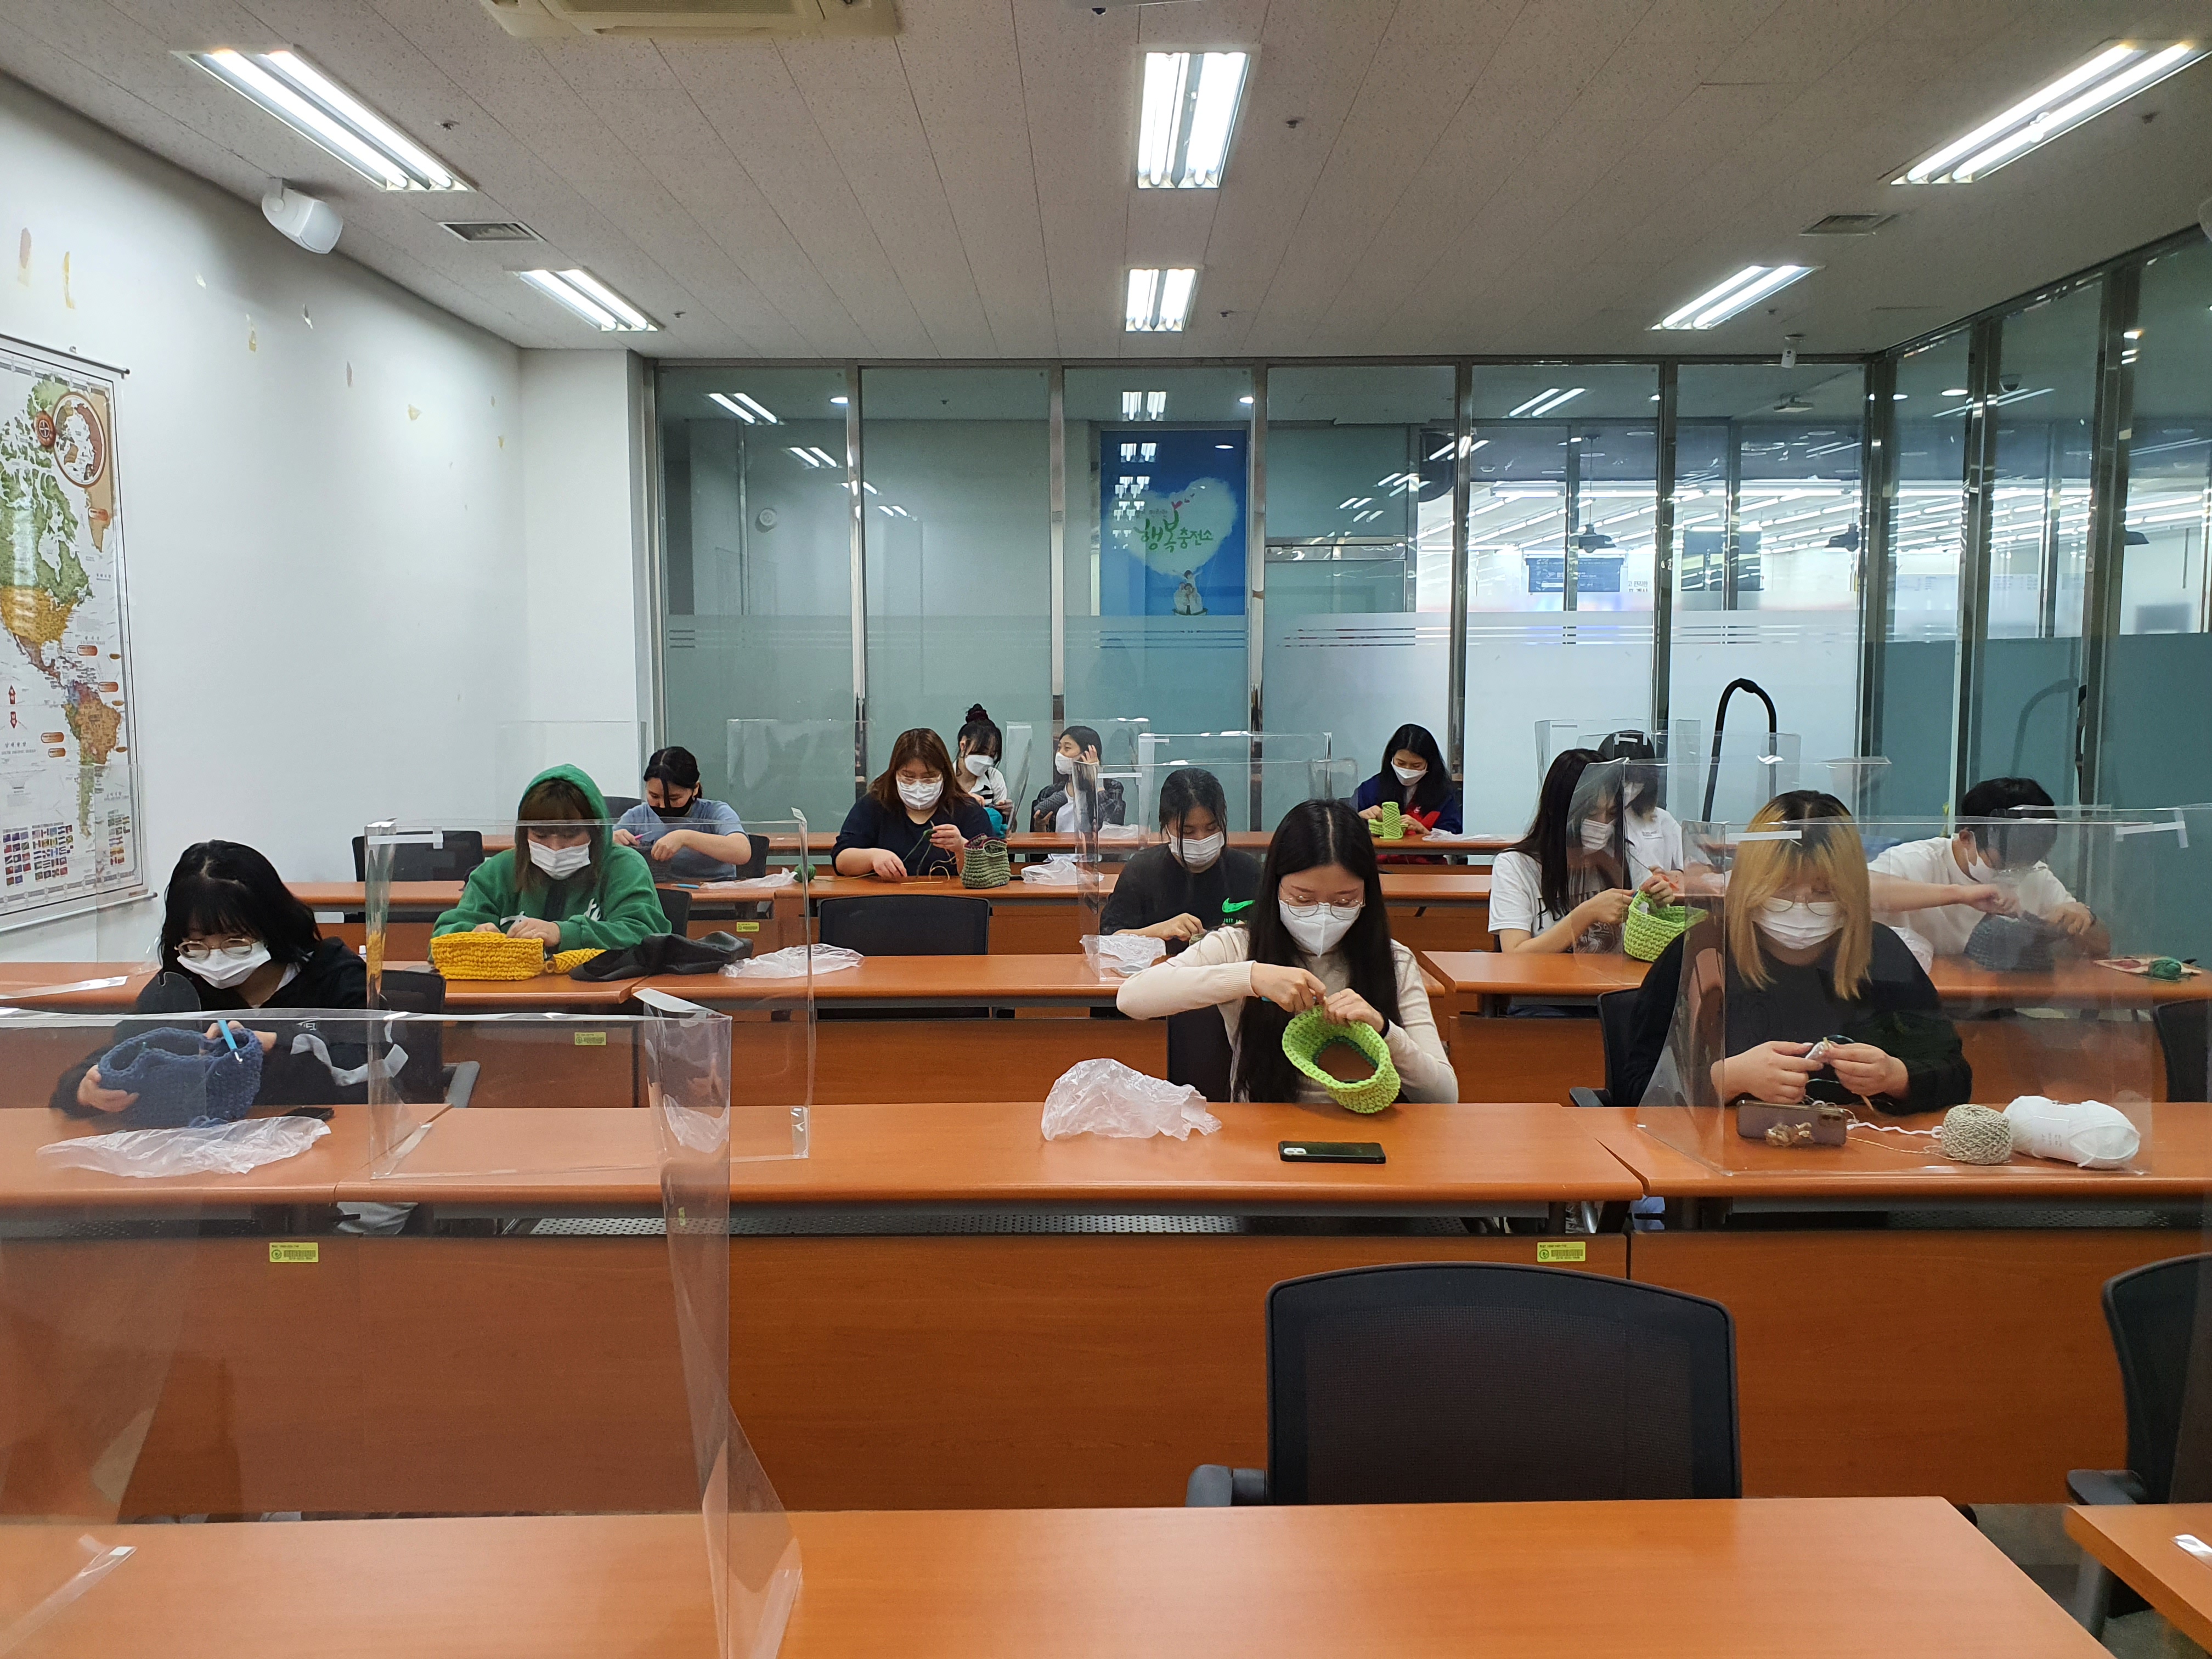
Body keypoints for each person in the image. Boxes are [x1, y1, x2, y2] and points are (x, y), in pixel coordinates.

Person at [1618, 791, 1970, 1113]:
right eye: (1781, 889)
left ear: (1851, 893)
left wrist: (1897, 1077)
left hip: (1852, 1155)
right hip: (1719, 1159)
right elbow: (1631, 1091)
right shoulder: (1700, 954)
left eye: (1823, 892)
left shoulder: (1882, 956)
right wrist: (1726, 1079)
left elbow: (1955, 1075)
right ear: (1750, 885)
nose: (1800, 906)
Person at [1116, 799, 1457, 1103]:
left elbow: (1444, 1096)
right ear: (1275, 886)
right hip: (1264, 1136)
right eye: (1303, 899)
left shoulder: (1394, 960)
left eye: (1344, 901)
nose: (1323, 914)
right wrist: (1250, 977)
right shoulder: (1240, 946)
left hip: (1375, 1136)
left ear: (1368, 895)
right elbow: (1133, 998)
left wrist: (1385, 1031)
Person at [56, 840, 367, 1115]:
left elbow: (375, 1068)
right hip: (210, 1145)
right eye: (196, 945)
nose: (215, 957)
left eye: (235, 941)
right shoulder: (178, 988)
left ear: (273, 928)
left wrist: (276, 1045)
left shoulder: (334, 976)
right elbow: (114, 1056)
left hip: (320, 1139)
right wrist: (85, 1090)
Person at [1869, 776, 2109, 970]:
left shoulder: (2034, 873)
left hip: (1990, 1002)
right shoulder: (1921, 859)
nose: (2015, 870)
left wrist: (2085, 919)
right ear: (1966, 838)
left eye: (2028, 859)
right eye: (2004, 859)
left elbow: (2102, 945)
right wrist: (1961, 895)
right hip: (1914, 1001)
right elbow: (1861, 891)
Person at [434, 765, 670, 951]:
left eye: (570, 835)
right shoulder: (497, 872)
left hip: (598, 996)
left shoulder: (624, 868)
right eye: (541, 835)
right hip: (514, 995)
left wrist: (563, 933)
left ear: (595, 831)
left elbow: (646, 935)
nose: (555, 847)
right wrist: (470, 936)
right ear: (524, 832)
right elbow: (441, 938)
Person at [1491, 749, 1669, 953]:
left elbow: (1645, 943)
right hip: (1546, 974)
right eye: (1591, 813)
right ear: (1557, 811)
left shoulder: (1624, 856)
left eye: (1612, 813)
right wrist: (1587, 914)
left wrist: (1657, 905)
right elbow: (1514, 954)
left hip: (1610, 974)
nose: (1603, 824)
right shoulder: (1516, 866)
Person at [1099, 768, 1262, 946]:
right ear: (1166, 827)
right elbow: (1109, 938)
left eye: (1212, 828)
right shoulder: (1142, 872)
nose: (1201, 839)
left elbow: (1271, 934)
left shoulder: (1248, 871)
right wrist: (1158, 932)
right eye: (1187, 832)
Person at [833, 727, 995, 881]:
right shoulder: (874, 806)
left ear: (944, 774)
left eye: (929, 777)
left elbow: (991, 871)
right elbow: (841, 860)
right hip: (887, 898)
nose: (918, 785)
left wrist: (962, 848)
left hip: (951, 900)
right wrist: (872, 857)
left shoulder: (968, 811)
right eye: (908, 777)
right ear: (894, 774)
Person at [612, 746, 752, 882]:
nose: (663, 805)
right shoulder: (637, 816)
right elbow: (602, 853)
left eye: (674, 798)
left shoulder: (715, 812)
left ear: (695, 789)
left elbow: (742, 851)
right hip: (657, 895)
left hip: (714, 895)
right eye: (654, 796)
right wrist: (611, 843)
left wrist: (685, 838)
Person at [1352, 723, 1463, 840]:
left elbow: (1452, 839)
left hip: (1424, 852)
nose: (1407, 770)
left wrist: (1423, 831)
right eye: (1401, 763)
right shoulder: (1371, 788)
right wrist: (1359, 818)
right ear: (1391, 758)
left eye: (1416, 766)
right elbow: (1343, 825)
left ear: (1429, 764)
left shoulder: (1444, 795)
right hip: (1378, 852)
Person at [1030, 725, 1126, 833]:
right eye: (1059, 748)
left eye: (1067, 748)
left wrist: (1097, 782)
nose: (1060, 754)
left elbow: (1113, 825)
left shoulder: (1112, 788)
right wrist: (1040, 828)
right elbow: (1035, 841)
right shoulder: (1048, 793)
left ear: (1088, 753)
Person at [954, 704, 1014, 834]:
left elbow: (1008, 831)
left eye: (992, 755)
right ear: (963, 745)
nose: (986, 760)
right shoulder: (944, 777)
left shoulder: (994, 778)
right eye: (981, 752)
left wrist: (1009, 815)